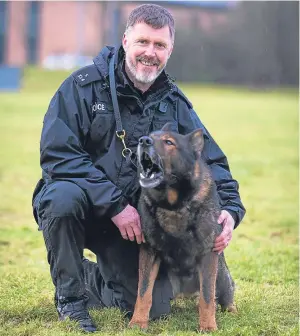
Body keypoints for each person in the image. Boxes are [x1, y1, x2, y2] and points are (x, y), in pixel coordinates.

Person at [32, 3, 246, 333]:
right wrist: (114, 205)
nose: (150, 52)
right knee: (61, 197)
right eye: (143, 42)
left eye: (160, 45)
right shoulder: (82, 87)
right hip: (84, 209)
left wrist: (230, 210)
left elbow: (210, 162)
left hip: (135, 224)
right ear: (126, 40)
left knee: (151, 307)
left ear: (170, 50)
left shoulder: (174, 102)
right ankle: (71, 300)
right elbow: (58, 155)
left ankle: (93, 277)